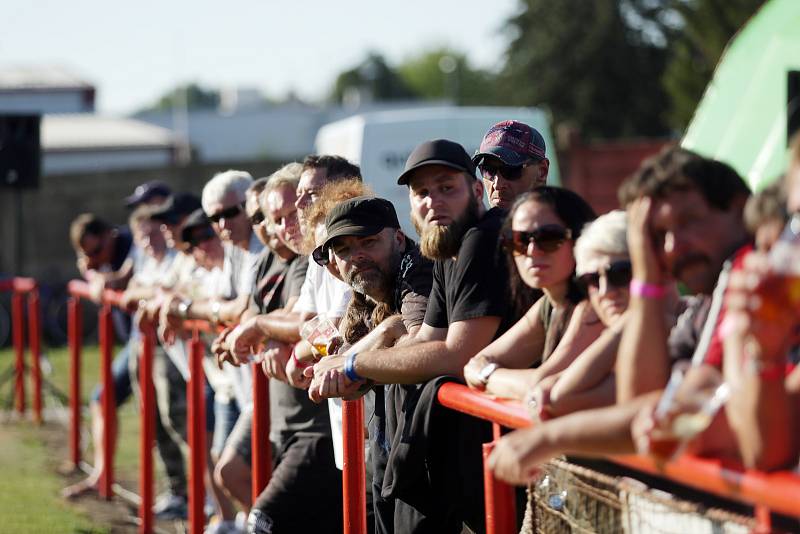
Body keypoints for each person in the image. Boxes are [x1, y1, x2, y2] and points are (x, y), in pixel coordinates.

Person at [488, 146, 752, 487]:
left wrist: (549, 438)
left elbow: (677, 417)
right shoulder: (708, 302)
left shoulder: (756, 282)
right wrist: (648, 282)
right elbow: (642, 401)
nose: (672, 247)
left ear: (739, 207)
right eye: (658, 236)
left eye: (689, 221)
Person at [307, 139, 512, 533]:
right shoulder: (445, 252)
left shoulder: (480, 240)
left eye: (446, 187)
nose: (433, 200)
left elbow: (455, 353)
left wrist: (353, 363)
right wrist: (356, 371)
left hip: (500, 451)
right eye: (421, 192)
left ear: (476, 189)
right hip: (467, 453)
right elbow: (426, 342)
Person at [463, 187, 600, 402]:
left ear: (579, 239)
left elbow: (543, 385)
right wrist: (488, 373)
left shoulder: (594, 304)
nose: (532, 251)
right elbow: (475, 363)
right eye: (520, 240)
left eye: (549, 237)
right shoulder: (550, 304)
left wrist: (487, 376)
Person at [472, 120, 549, 210]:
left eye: (511, 171)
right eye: (488, 170)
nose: (497, 185)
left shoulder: (563, 221)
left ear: (542, 171)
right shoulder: (470, 223)